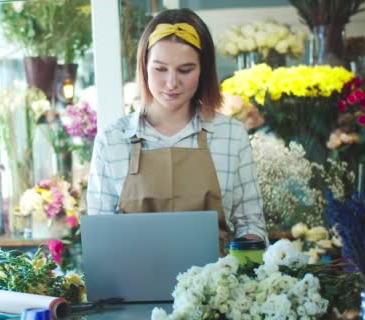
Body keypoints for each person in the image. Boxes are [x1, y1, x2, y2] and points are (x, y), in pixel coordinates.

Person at [87, 8, 267, 252]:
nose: (172, 83)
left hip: (215, 286)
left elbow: (251, 223)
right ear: (143, 67)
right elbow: (100, 235)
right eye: (160, 69)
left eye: (185, 70)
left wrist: (244, 256)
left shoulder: (231, 136)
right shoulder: (112, 140)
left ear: (203, 71)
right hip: (134, 288)